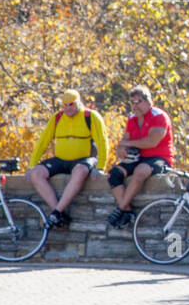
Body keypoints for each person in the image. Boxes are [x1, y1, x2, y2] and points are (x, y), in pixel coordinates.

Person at [27, 89, 110, 229]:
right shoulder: (57, 117)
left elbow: (102, 142)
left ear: (78, 103)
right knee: (36, 174)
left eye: (70, 104)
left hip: (84, 159)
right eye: (64, 105)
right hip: (61, 159)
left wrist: (101, 167)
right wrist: (32, 165)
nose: (67, 108)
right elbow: (43, 141)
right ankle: (58, 212)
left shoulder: (91, 116)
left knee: (80, 172)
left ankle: (56, 212)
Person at [106, 86, 174, 227]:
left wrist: (128, 143)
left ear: (149, 101)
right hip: (137, 158)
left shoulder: (159, 116)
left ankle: (120, 209)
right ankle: (127, 211)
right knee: (114, 174)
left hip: (159, 158)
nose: (136, 105)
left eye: (139, 101)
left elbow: (152, 141)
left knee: (140, 171)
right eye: (132, 102)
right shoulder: (132, 119)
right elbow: (124, 142)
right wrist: (121, 150)